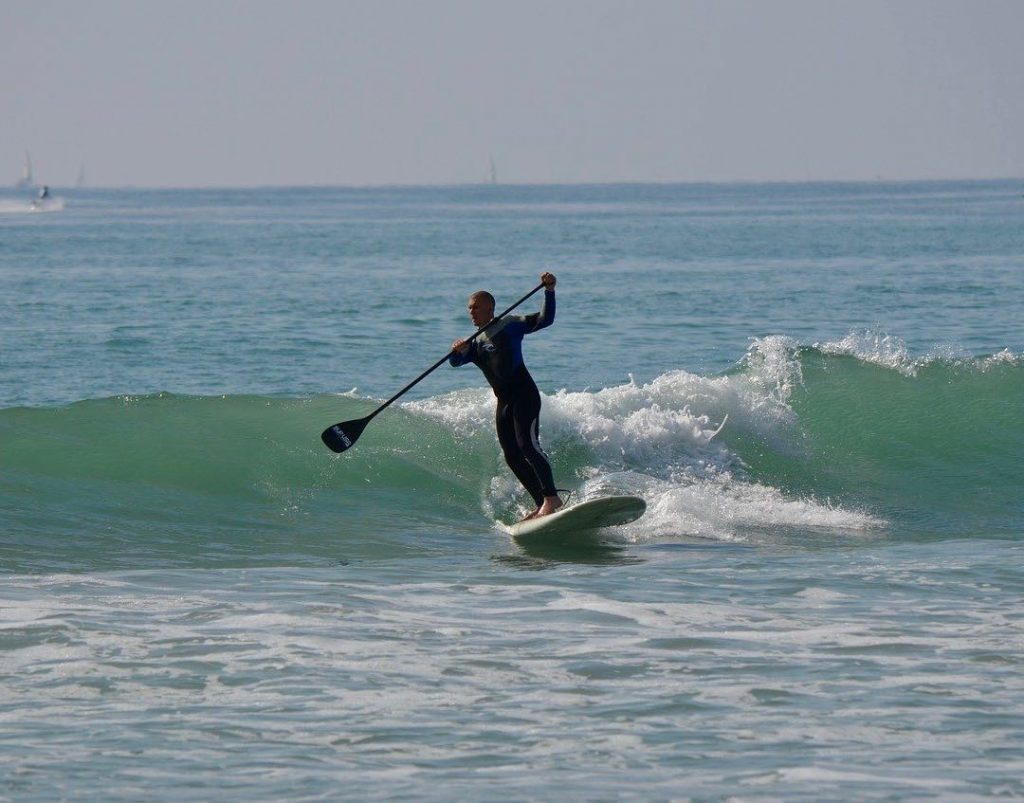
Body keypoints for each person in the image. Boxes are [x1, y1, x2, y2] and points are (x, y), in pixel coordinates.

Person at [449, 272, 563, 520]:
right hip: (504, 402)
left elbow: (546, 320)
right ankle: (542, 503)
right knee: (512, 455)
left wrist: (549, 291)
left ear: (490, 307)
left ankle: (552, 498)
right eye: (469, 308)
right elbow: (456, 363)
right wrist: (456, 351)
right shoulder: (475, 342)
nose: (472, 312)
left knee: (529, 447)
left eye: (476, 307)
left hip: (524, 395)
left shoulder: (509, 325)